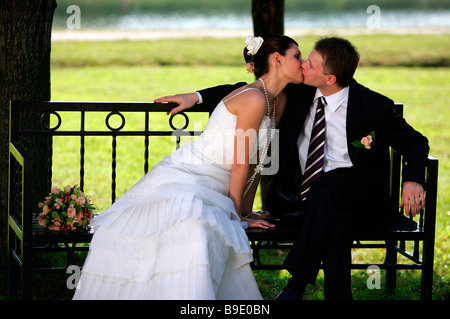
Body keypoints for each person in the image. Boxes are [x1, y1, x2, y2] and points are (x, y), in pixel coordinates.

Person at [155, 36, 429, 300]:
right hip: (306, 203)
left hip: (359, 197)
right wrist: (196, 97)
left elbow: (415, 142)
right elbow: (247, 89)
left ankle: (296, 283)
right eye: (303, 59)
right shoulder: (298, 91)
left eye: (310, 64)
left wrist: (413, 179)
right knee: (336, 216)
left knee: (329, 186)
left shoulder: (373, 106)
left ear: (330, 79)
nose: (302, 66)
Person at [73, 34, 303, 300]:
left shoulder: (279, 100)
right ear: (277, 59)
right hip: (193, 175)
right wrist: (236, 216)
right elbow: (241, 162)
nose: (303, 62)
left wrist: (245, 212)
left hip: (221, 183)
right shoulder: (254, 99)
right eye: (297, 56)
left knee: (207, 228)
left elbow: (255, 162)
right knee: (190, 226)